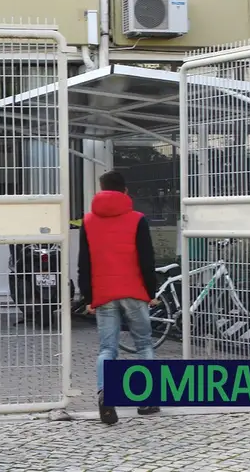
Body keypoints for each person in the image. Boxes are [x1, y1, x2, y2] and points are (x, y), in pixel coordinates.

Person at [78, 171, 160, 424]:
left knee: (107, 349)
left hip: (104, 293)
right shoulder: (137, 219)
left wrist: (89, 296)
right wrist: (151, 292)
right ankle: (146, 400)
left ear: (101, 190)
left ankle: (106, 393)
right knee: (144, 345)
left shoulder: (88, 221)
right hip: (134, 291)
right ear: (124, 191)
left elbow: (85, 262)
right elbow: (147, 259)